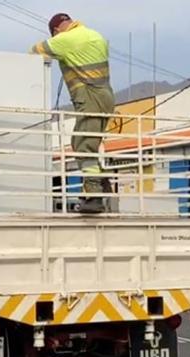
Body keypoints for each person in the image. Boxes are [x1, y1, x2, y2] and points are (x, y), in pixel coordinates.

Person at [31, 13, 115, 213]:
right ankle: (101, 183)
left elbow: (34, 51)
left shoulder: (65, 39)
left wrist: (57, 48)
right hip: (106, 97)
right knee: (89, 144)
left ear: (56, 30)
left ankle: (94, 196)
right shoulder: (95, 35)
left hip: (89, 98)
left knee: (83, 146)